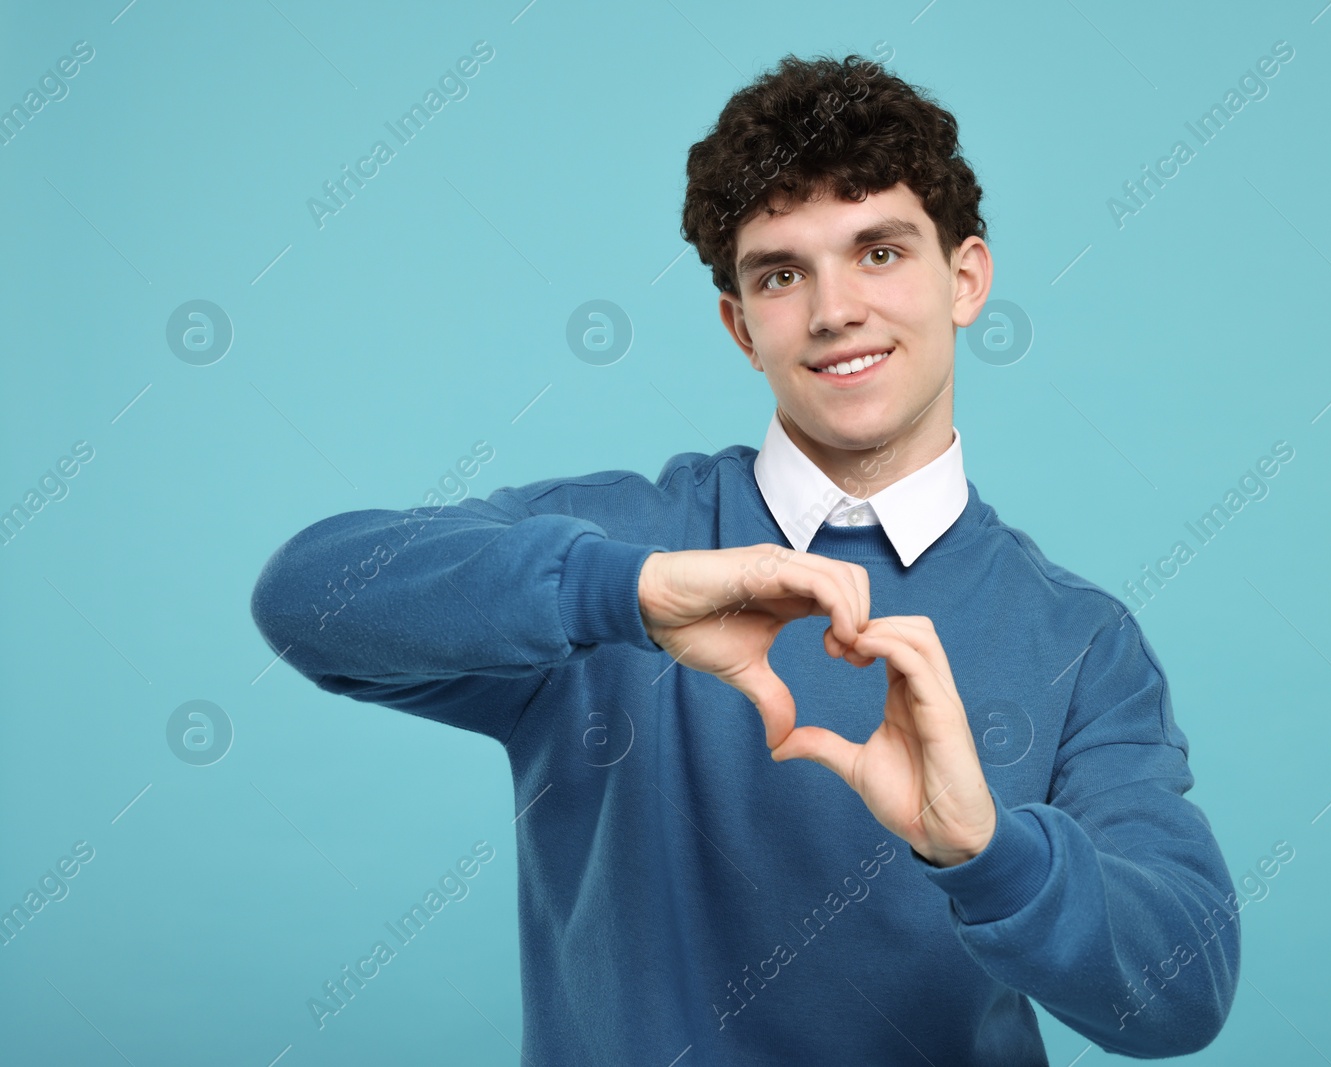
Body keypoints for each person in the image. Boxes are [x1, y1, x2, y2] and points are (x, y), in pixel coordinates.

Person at [250, 51, 1240, 1064]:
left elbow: (1182, 993)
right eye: (780, 273)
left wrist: (985, 849)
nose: (834, 309)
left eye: (880, 252)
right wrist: (622, 589)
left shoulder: (1082, 639)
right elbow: (305, 596)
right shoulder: (611, 555)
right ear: (738, 324)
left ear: (967, 279)